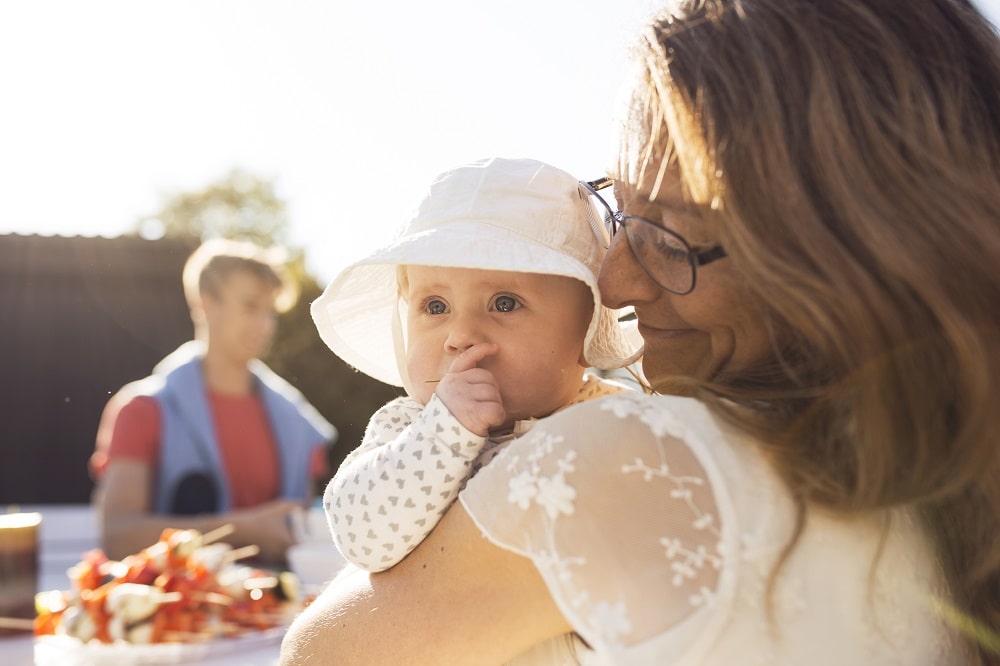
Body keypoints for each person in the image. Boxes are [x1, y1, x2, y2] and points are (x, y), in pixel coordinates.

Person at [280, 0, 1000, 663]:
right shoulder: (951, 482)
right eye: (621, 218)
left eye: (669, 236)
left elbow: (317, 655)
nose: (616, 285)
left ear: (833, 252)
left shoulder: (625, 457)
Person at [311, 157, 642, 572]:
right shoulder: (407, 428)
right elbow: (360, 536)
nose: (460, 335)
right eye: (435, 306)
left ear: (586, 330)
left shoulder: (615, 418)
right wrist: (444, 434)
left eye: (504, 303)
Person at [90, 238, 337, 566]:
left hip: (279, 610)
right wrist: (243, 528)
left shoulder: (298, 421)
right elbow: (119, 537)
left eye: (269, 311)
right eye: (251, 306)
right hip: (177, 611)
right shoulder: (142, 410)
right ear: (205, 304)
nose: (265, 325)